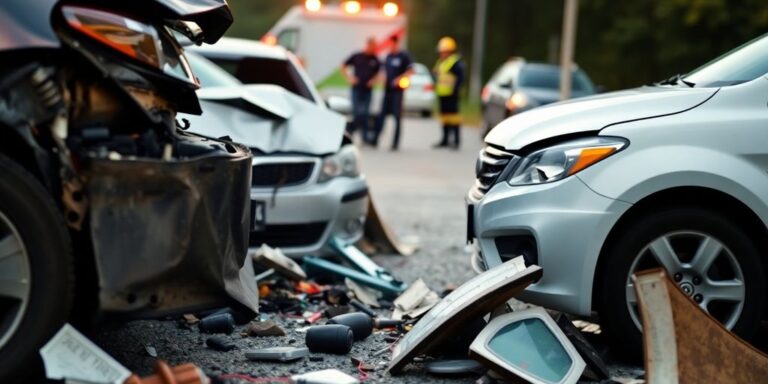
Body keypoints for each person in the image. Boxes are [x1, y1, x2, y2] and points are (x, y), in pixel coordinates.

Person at [372, 35, 414, 150]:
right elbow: (383, 70)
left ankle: (395, 143)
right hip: (387, 90)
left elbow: (411, 71)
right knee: (382, 116)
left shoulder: (404, 56)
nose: (390, 46)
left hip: (397, 92)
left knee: (397, 117)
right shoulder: (388, 56)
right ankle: (375, 139)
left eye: (392, 44)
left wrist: (399, 79)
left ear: (396, 44)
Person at [342, 37, 381, 144]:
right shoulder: (357, 56)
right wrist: (350, 78)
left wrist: (373, 80)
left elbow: (379, 73)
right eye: (372, 46)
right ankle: (351, 134)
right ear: (367, 45)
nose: (373, 49)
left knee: (365, 113)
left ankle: (365, 137)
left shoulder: (375, 59)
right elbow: (343, 66)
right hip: (356, 89)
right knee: (356, 113)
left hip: (367, 90)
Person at [432, 36, 465, 150]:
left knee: (454, 118)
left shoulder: (455, 62)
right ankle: (445, 140)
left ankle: (456, 141)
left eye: (443, 52)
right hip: (442, 94)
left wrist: (454, 89)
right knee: (444, 118)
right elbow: (437, 74)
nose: (441, 54)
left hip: (452, 94)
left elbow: (461, 78)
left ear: (449, 51)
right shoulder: (441, 62)